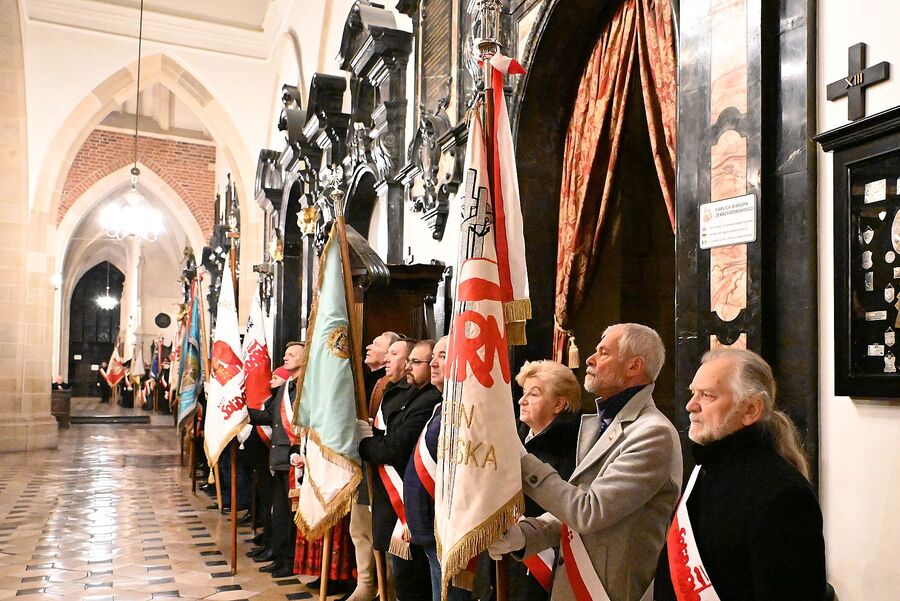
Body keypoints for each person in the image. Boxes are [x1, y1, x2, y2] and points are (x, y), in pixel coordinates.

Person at [488, 323, 682, 601]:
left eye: (604, 353)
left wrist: (522, 461)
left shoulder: (652, 433)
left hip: (609, 591)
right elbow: (574, 505)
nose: (590, 359)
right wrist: (525, 536)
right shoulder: (599, 424)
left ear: (634, 366)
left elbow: (590, 511)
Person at [654, 348, 826, 601]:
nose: (691, 406)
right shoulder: (705, 471)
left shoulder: (784, 494)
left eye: (707, 395)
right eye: (693, 393)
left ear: (750, 410)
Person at [358, 338, 441, 601]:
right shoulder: (410, 394)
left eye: (416, 362)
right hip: (397, 502)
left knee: (413, 586)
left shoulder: (430, 399)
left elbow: (395, 447)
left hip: (413, 502)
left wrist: (364, 443)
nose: (408, 367)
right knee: (404, 583)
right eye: (410, 361)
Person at [509, 360, 582, 600]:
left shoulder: (573, 447)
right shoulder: (512, 439)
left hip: (544, 560)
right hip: (506, 556)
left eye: (534, 394)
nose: (522, 400)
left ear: (558, 404)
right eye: (523, 393)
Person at [345, 331, 401, 601]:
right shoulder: (367, 381)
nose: (369, 346)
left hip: (385, 470)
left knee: (380, 533)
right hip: (362, 464)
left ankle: (384, 589)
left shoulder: (391, 386)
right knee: (358, 529)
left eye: (378, 344)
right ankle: (365, 584)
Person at [247, 341, 305, 579]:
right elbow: (270, 416)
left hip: (295, 459)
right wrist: (243, 413)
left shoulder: (306, 386)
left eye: (292, 354)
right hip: (279, 458)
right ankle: (280, 557)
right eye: (285, 354)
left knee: (291, 516)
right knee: (279, 513)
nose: (285, 358)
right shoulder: (286, 387)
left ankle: (290, 560)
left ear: (304, 358)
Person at [246, 365, 292, 563]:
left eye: (275, 377)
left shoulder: (287, 395)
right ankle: (272, 546)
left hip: (284, 458)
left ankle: (281, 552)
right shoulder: (277, 396)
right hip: (273, 458)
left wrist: (243, 412)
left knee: (281, 510)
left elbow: (270, 417)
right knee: (273, 507)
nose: (270, 381)